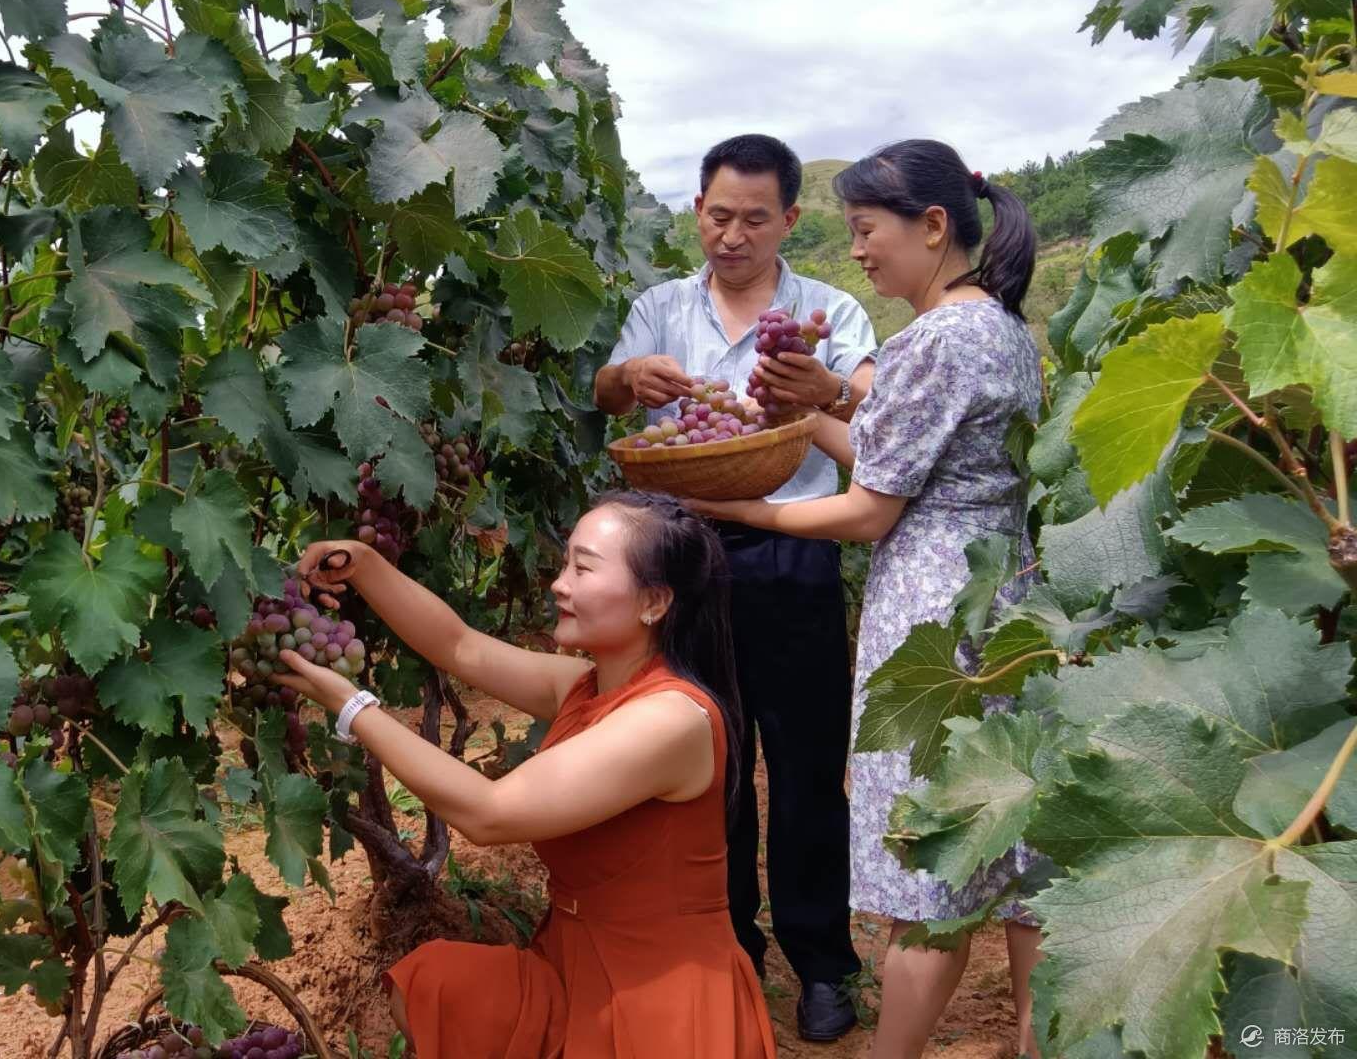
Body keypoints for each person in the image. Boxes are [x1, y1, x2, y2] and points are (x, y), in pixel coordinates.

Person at [686, 139, 1046, 1059]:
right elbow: (906, 465)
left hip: (932, 619)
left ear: (934, 227)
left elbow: (872, 510)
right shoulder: (999, 326)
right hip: (999, 595)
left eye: (867, 230)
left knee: (929, 861)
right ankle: (1039, 1038)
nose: (858, 251)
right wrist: (812, 419)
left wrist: (743, 502)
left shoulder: (934, 340)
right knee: (1013, 845)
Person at [270, 492, 774, 1059]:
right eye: (566, 564)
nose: (559, 583)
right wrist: (364, 562)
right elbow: (459, 646)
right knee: (434, 985)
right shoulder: (590, 684)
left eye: (583, 568)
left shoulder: (671, 720)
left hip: (657, 998)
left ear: (654, 602)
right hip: (573, 962)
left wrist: (354, 708)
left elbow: (489, 814)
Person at [593, 133, 872, 1040]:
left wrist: (823, 390)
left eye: (756, 218)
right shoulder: (660, 308)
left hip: (793, 553)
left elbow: (871, 405)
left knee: (802, 770)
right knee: (707, 769)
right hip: (681, 562)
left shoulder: (829, 310)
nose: (733, 235)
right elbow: (603, 390)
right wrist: (629, 378)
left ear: (790, 219)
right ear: (698, 211)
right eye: (719, 215)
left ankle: (824, 961)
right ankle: (731, 953)